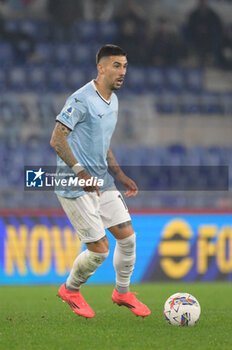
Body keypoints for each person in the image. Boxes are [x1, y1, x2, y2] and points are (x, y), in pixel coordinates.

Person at [50, 44, 151, 319]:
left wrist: (119, 175)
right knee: (99, 251)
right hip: (74, 184)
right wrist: (81, 174)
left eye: (125, 66)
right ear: (101, 67)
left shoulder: (113, 101)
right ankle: (70, 289)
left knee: (128, 238)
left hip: (102, 180)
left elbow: (102, 145)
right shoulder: (81, 100)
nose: (122, 72)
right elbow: (57, 139)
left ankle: (122, 292)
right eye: (117, 65)